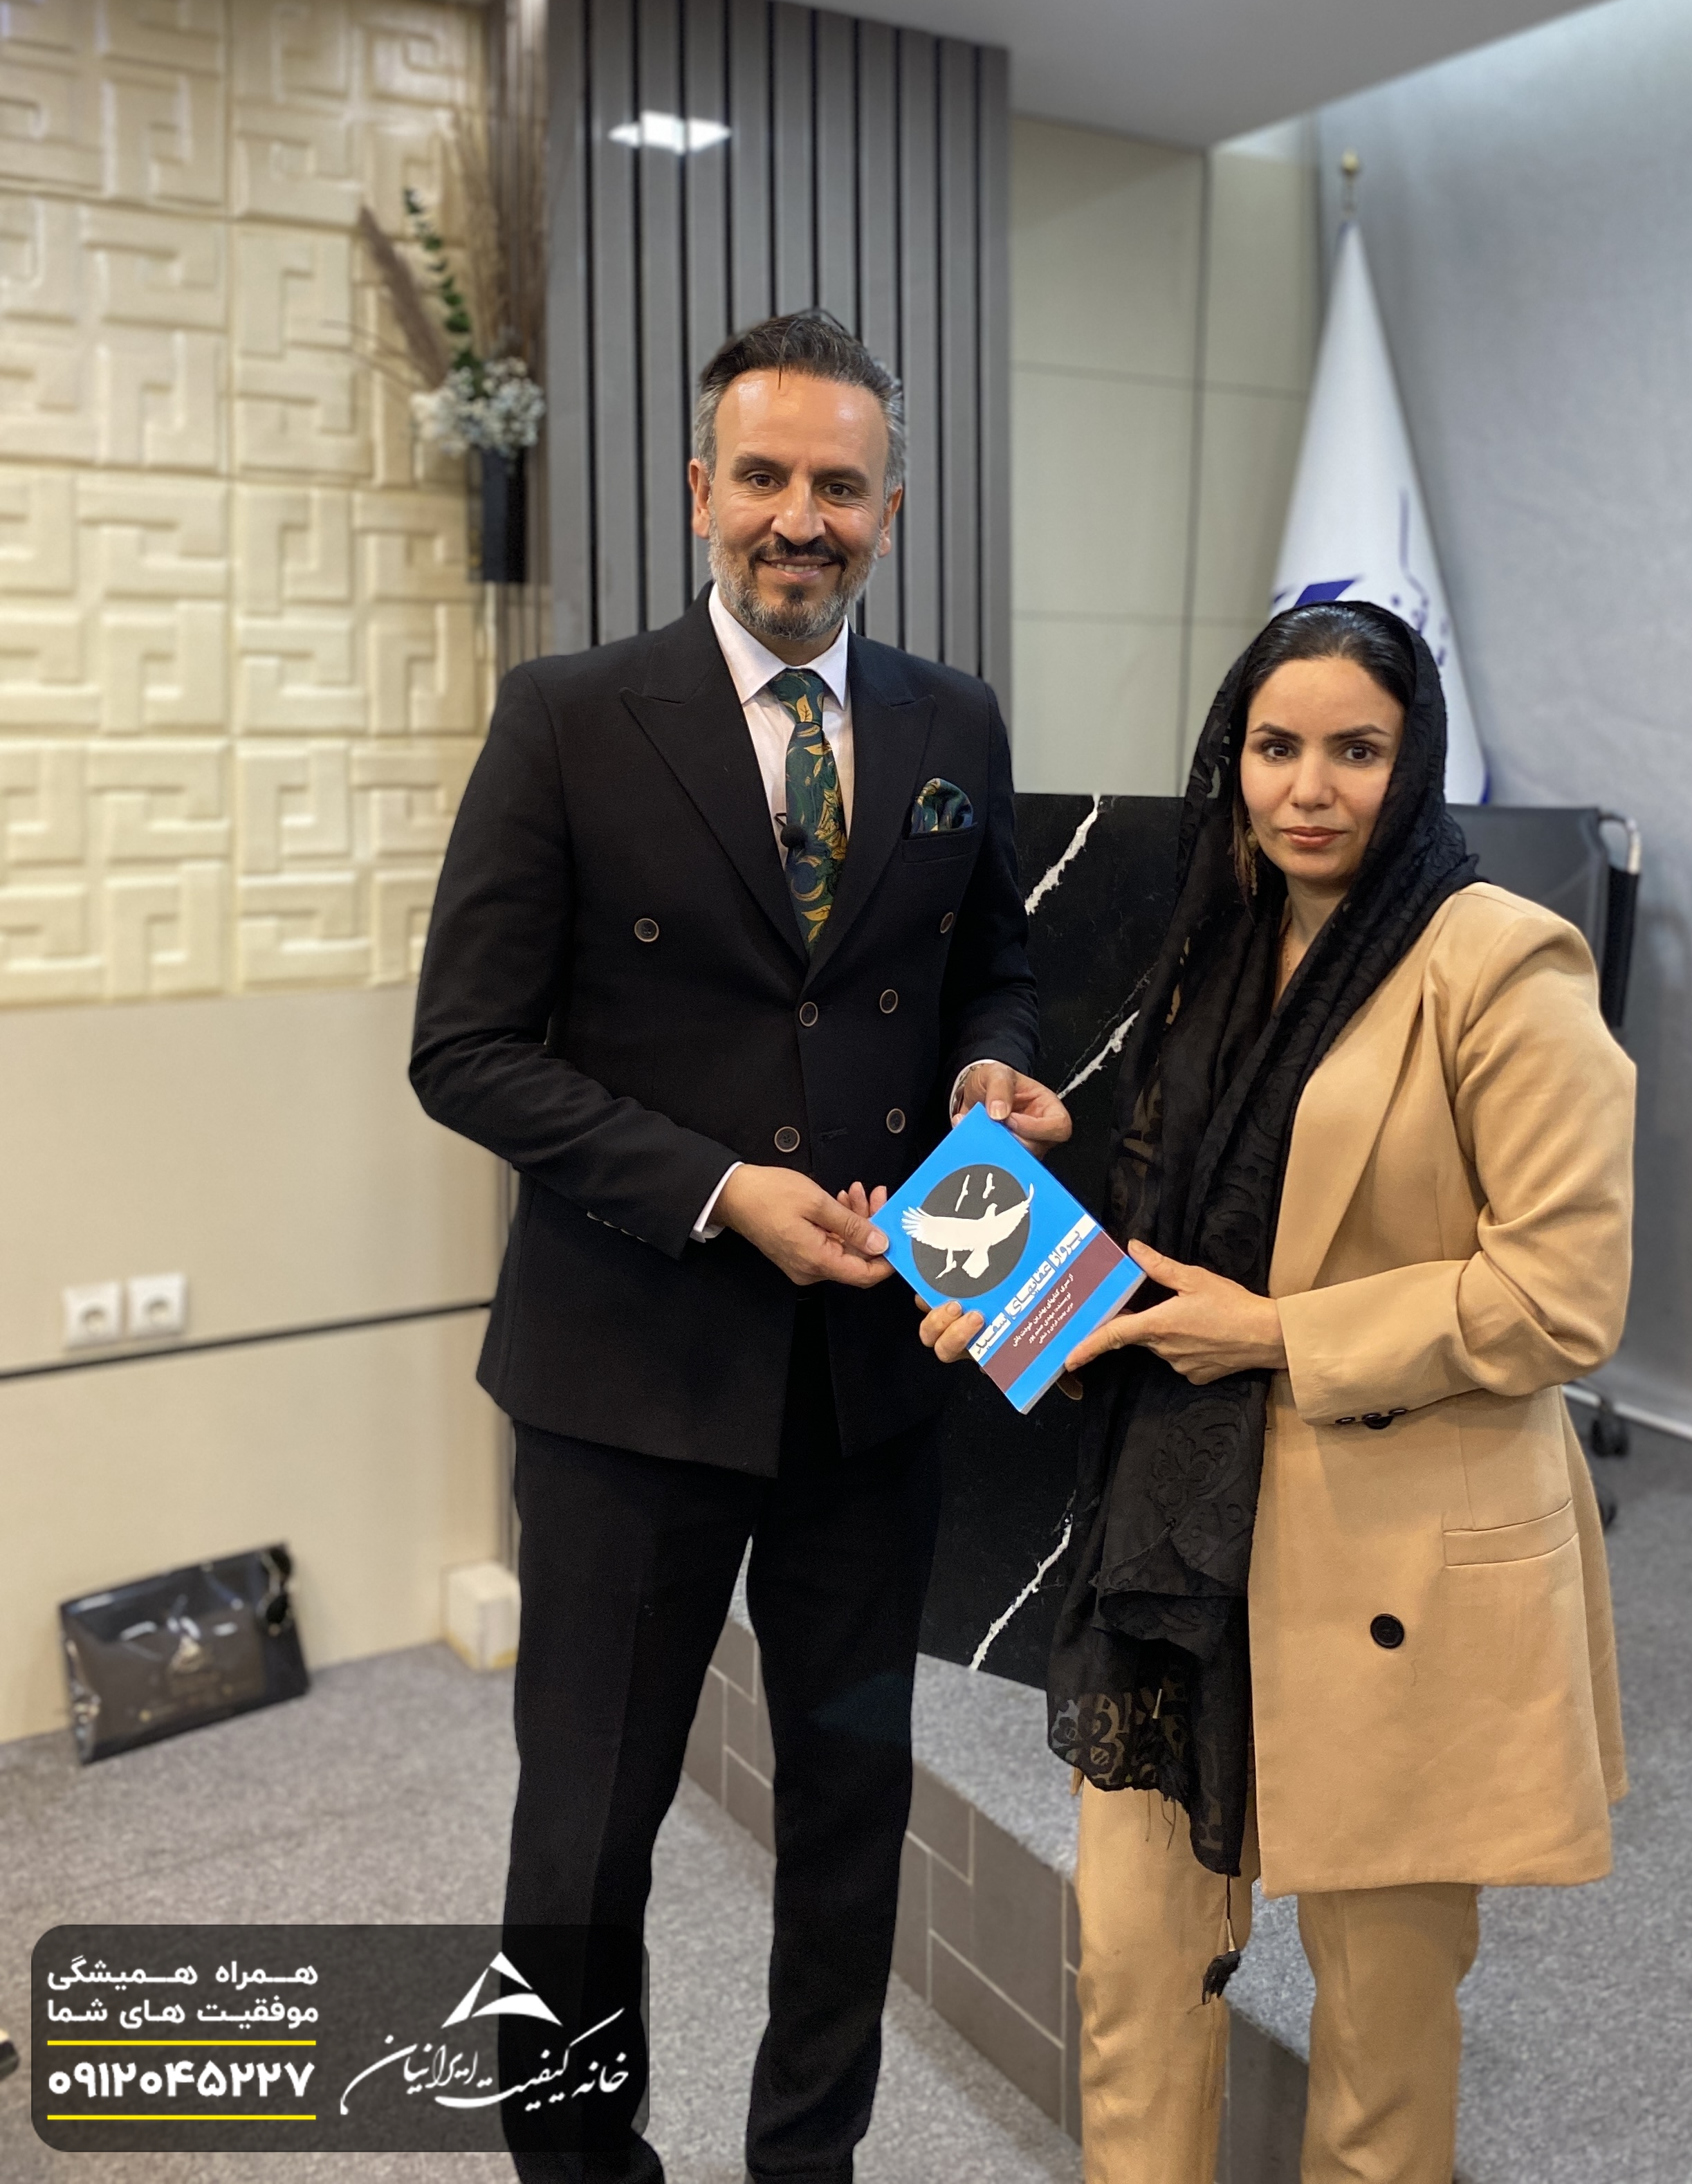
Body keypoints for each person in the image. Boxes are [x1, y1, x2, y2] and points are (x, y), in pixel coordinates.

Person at [411, 307, 1070, 2184]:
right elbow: (464, 1050)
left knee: (852, 1811)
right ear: (702, 490)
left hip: (873, 1381)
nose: (801, 516)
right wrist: (717, 1188)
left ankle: (808, 2161)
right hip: (629, 1380)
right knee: (585, 1838)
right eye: (764, 476)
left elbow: (998, 969)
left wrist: (993, 1072)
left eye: (839, 485)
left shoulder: (952, 721)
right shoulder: (567, 718)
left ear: (890, 510)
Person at [921, 600, 1633, 2184]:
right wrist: (1028, 1276)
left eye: (1357, 751)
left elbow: (1563, 1298)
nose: (1309, 789)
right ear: (1230, 758)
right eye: (1276, 746)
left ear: (1415, 762)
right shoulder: (1220, 947)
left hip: (1392, 1555)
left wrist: (1283, 1338)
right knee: (1131, 1982)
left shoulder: (1502, 962)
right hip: (1176, 1539)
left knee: (1380, 2031)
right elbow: (1186, 1241)